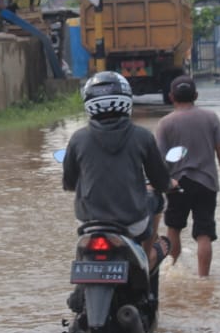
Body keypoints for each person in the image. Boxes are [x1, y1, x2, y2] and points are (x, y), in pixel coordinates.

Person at [62, 71, 172, 272]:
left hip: (88, 223)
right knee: (158, 199)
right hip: (132, 223)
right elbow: (160, 181)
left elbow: (69, 183)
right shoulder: (143, 137)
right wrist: (167, 184)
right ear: (126, 101)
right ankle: (146, 259)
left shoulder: (78, 139)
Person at [154, 76, 220, 278]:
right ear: (196, 95)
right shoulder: (210, 118)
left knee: (174, 228)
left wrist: (163, 184)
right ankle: (204, 280)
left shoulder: (165, 124)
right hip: (206, 184)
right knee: (204, 233)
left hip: (176, 185)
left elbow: (159, 160)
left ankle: (173, 271)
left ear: (171, 97)